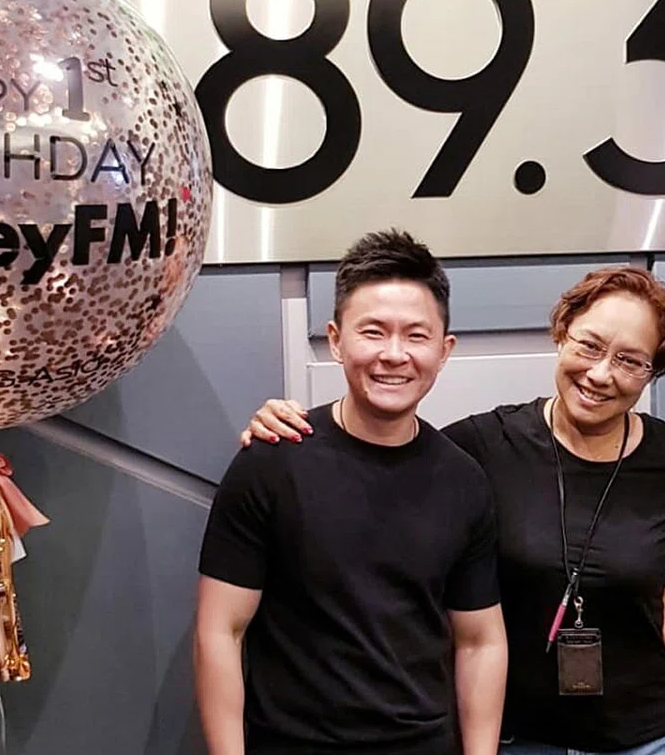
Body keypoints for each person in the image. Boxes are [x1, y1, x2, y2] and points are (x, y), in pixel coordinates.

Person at [241, 266, 665, 755]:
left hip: (645, 740)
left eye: (630, 361)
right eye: (590, 346)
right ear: (562, 333)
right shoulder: (482, 445)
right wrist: (290, 429)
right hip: (514, 739)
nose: (600, 374)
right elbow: (376, 453)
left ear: (653, 372)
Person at [194, 230, 508, 755]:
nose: (394, 354)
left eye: (416, 336)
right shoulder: (271, 462)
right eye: (373, 332)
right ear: (337, 340)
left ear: (444, 350)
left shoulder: (464, 480)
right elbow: (219, 631)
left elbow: (480, 641)